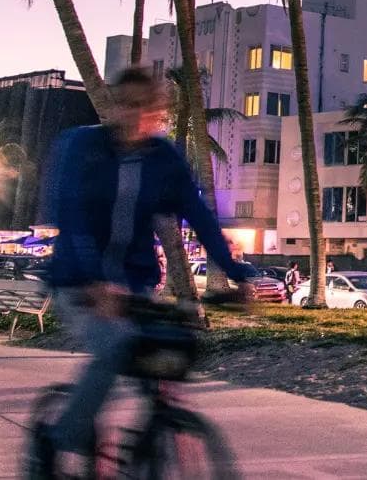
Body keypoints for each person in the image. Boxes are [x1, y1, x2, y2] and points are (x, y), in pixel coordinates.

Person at [43, 68, 252, 477]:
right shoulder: (83, 146)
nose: (136, 115)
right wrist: (95, 281)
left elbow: (200, 216)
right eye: (127, 104)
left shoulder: (163, 159)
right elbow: (71, 214)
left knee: (162, 358)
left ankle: (148, 448)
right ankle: (58, 440)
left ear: (160, 113)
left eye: (146, 107)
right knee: (115, 347)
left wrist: (239, 274)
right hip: (77, 283)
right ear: (113, 106)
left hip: (135, 286)